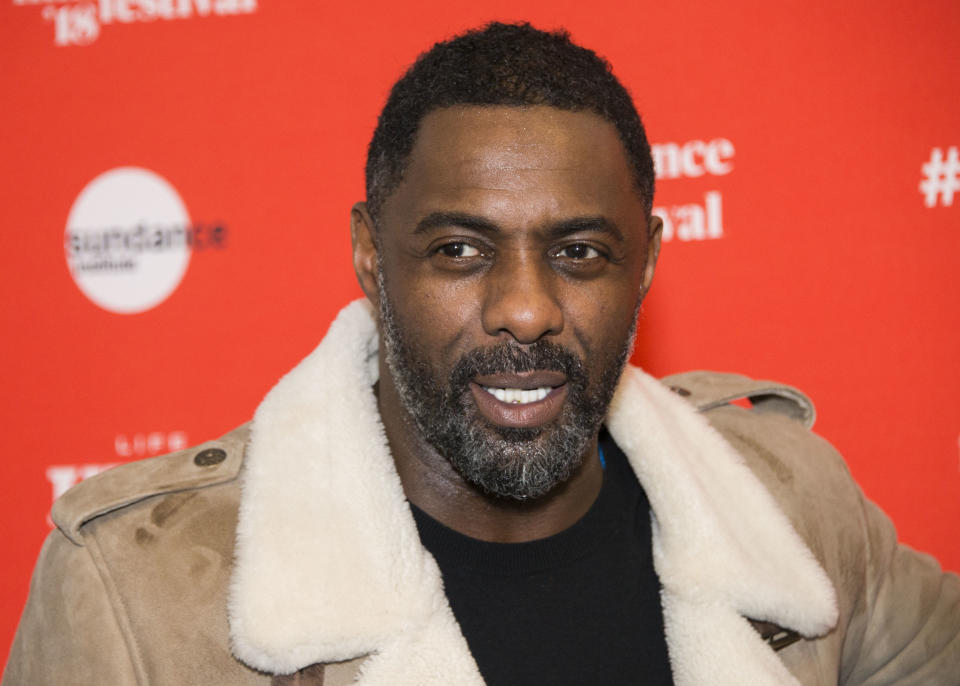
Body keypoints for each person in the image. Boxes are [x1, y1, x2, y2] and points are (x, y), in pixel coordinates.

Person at [4, 22, 958, 686]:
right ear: (372, 258)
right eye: (460, 251)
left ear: (651, 262)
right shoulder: (137, 588)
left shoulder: (786, 503)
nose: (527, 310)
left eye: (579, 253)